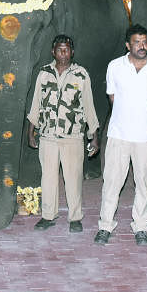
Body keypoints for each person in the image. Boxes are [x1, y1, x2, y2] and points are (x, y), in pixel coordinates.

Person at [27, 35, 100, 233]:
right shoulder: (44, 73)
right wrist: (31, 131)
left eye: (67, 49)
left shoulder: (81, 74)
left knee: (73, 178)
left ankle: (75, 217)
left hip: (73, 136)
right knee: (48, 178)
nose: (63, 53)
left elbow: (89, 106)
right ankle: (48, 216)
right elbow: (36, 103)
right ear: (53, 51)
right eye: (59, 49)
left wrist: (94, 135)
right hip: (48, 136)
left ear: (72, 52)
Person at [95, 24, 147, 247]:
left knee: (144, 183)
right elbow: (112, 98)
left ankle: (141, 227)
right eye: (137, 42)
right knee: (112, 182)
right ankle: (105, 226)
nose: (141, 46)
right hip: (119, 134)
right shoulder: (115, 66)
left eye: (144, 42)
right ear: (127, 45)